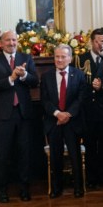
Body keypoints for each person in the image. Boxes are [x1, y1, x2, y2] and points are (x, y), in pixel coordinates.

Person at [0, 29, 39, 202]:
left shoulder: (26, 58)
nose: (11, 43)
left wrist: (24, 75)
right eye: (8, 40)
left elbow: (35, 82)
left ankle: (24, 189)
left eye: (14, 40)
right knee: (3, 154)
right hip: (3, 115)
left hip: (23, 114)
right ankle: (2, 190)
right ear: (1, 43)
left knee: (24, 153)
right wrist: (11, 78)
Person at [41, 44, 85, 197]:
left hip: (72, 122)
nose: (59, 60)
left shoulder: (79, 75)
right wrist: (57, 114)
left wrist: (67, 114)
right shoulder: (46, 76)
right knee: (55, 157)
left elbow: (80, 99)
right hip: (54, 122)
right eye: (57, 57)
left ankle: (78, 188)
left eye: (63, 57)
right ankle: (56, 188)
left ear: (70, 58)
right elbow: (44, 100)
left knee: (75, 156)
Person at [79, 28, 103, 188]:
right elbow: (77, 84)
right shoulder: (81, 59)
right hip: (88, 110)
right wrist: (91, 87)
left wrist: (101, 89)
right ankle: (92, 178)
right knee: (91, 145)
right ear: (92, 41)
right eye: (98, 41)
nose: (101, 44)